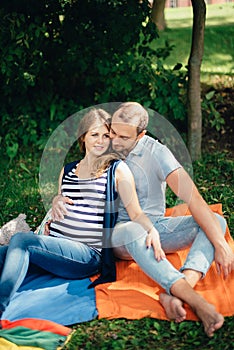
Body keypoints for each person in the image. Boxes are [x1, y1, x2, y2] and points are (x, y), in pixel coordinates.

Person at [0, 108, 165, 319]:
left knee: (22, 241)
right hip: (54, 245)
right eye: (94, 135)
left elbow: (135, 212)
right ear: (83, 137)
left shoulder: (117, 169)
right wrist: (56, 200)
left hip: (86, 255)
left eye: (106, 135)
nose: (100, 141)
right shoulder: (68, 170)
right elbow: (61, 204)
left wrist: (152, 230)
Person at [109, 102, 234, 337]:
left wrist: (220, 244)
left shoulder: (156, 152)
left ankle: (175, 294)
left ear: (141, 134)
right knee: (136, 230)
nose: (114, 141)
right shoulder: (103, 144)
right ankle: (195, 300)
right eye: (112, 132)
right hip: (119, 234)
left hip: (156, 227)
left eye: (123, 137)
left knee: (216, 223)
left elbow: (193, 197)